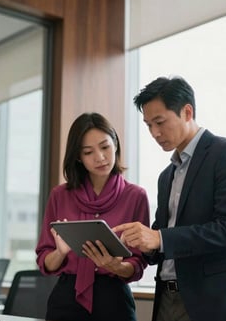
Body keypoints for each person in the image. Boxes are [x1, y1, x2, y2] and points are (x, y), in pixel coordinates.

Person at [113, 76, 226, 321]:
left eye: (159, 122)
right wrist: (135, 244)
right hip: (167, 298)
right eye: (148, 125)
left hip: (216, 301)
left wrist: (159, 238)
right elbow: (163, 238)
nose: (154, 133)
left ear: (187, 111)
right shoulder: (166, 176)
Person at [36, 112, 150, 321]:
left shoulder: (135, 196)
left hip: (114, 300)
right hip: (66, 300)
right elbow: (45, 262)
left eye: (105, 147)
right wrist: (60, 253)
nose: (100, 157)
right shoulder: (60, 196)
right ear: (78, 157)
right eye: (88, 152)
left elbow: (139, 262)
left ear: (115, 143)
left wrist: (116, 266)